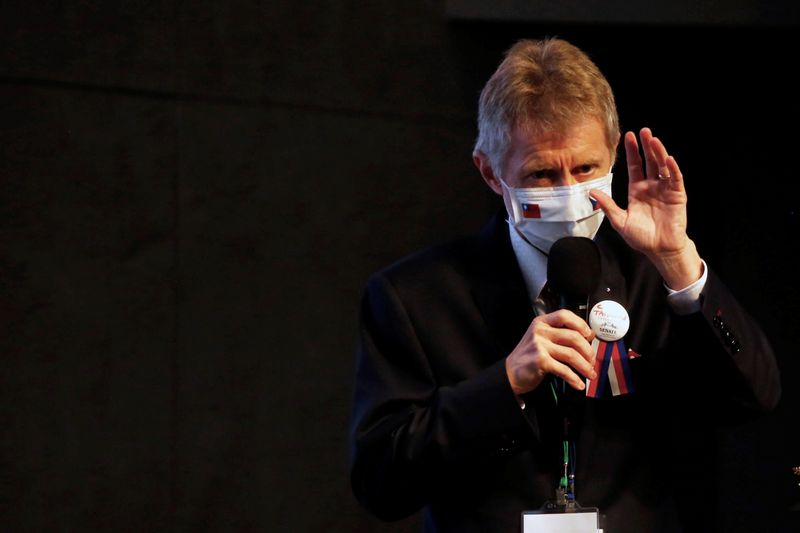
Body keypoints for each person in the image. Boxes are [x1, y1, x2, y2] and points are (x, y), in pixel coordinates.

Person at [348, 38, 780, 532]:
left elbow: (755, 398)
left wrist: (678, 261)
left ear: (613, 155)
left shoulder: (653, 275)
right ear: (491, 172)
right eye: (541, 174)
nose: (567, 192)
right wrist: (504, 383)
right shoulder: (414, 296)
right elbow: (380, 482)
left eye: (585, 169)